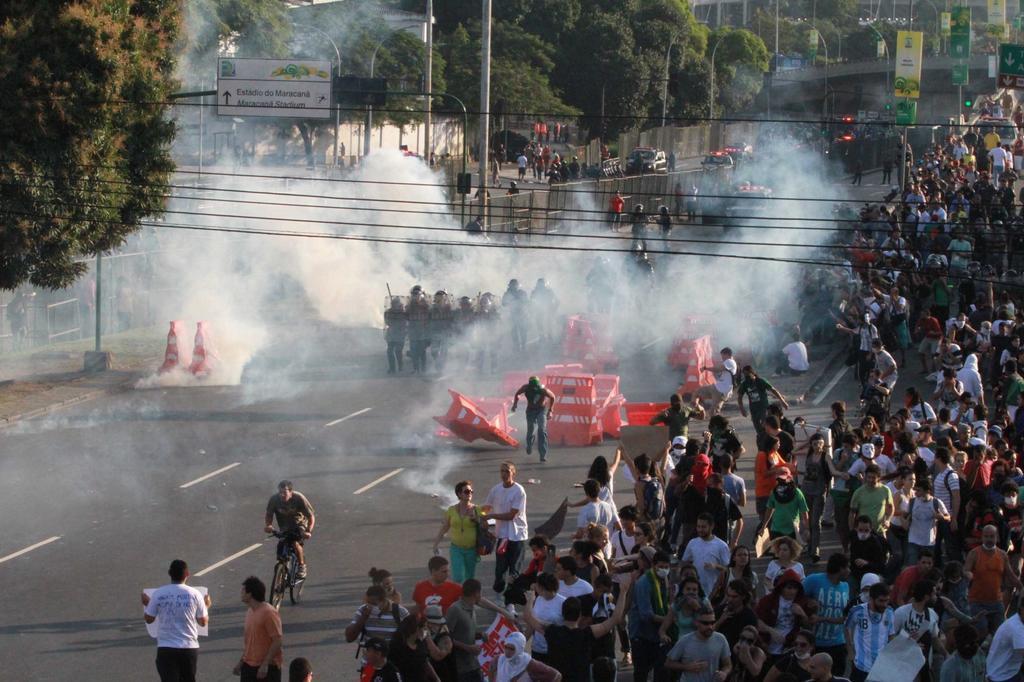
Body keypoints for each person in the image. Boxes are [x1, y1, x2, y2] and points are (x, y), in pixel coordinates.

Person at [521, 578, 633, 682]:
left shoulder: (552, 632)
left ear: (563, 614)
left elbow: (529, 617)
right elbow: (615, 619)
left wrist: (531, 599)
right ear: (579, 615)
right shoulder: (587, 634)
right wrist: (623, 592)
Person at [141, 559, 211, 682]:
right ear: (187, 574)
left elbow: (149, 619)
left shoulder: (159, 594)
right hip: (189, 648)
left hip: (166, 648)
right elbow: (203, 622)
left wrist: (148, 604)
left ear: (169, 573)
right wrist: (206, 606)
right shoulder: (195, 594)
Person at [964, 524, 1023, 638]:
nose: (989, 539)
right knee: (981, 630)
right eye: (986, 536)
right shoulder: (974, 553)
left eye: (992, 536)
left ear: (997, 537)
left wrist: (1021, 587)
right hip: (977, 601)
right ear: (982, 537)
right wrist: (968, 574)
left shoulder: (1002, 555)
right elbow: (965, 570)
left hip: (996, 602)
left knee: (1001, 633)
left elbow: (1010, 575)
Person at [482, 462, 529, 594]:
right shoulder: (496, 489)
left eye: (507, 471)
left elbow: (511, 515)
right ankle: (498, 598)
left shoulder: (519, 491)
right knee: (500, 569)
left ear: (513, 473)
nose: (504, 474)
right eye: (502, 471)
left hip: (517, 536)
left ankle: (511, 601)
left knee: (514, 571)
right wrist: (477, 513)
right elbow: (486, 507)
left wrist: (490, 516)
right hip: (502, 536)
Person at [628, 548, 672, 682]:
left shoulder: (663, 580)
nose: (664, 570)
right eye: (661, 567)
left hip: (655, 635)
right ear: (653, 565)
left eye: (666, 567)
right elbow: (646, 615)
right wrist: (668, 620)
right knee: (641, 673)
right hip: (641, 635)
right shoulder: (644, 583)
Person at [803, 555, 851, 675]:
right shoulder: (814, 580)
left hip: (838, 642)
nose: (849, 571)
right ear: (840, 569)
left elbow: (844, 617)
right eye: (847, 567)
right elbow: (797, 596)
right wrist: (808, 602)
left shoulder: (846, 586)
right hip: (816, 643)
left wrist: (821, 618)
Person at [663, 605, 732, 682]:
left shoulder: (720, 639)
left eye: (712, 623)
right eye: (705, 623)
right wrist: (686, 667)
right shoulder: (685, 641)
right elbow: (668, 663)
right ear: (696, 622)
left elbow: (728, 665)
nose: (710, 627)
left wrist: (724, 673)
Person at [844, 582, 895, 682]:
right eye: (881, 601)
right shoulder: (857, 611)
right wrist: (850, 650)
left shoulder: (889, 612)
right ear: (871, 599)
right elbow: (846, 628)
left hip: (881, 667)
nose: (884, 605)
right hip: (861, 665)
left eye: (887, 601)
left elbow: (891, 636)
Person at [235, 577, 283, 682]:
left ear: (250, 594)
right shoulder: (250, 612)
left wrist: (265, 664)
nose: (241, 592)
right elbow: (251, 642)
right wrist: (241, 662)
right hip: (249, 666)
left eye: (243, 590)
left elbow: (277, 641)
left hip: (266, 669)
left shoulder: (269, 613)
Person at [264, 480, 315, 579]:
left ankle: (301, 566)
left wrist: (308, 531)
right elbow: (269, 514)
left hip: (300, 524)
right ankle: (281, 568)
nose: (282, 495)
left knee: (295, 543)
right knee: (280, 547)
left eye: (284, 492)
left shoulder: (299, 498)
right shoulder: (274, 499)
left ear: (291, 492)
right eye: (280, 492)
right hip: (284, 526)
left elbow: (311, 516)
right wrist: (268, 525)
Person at [892, 580, 942, 680]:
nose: (936, 597)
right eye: (934, 594)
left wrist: (946, 654)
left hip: (924, 665)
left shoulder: (932, 615)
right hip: (902, 665)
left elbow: (935, 638)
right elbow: (889, 636)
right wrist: (909, 644)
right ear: (926, 597)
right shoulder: (900, 613)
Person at [433, 480, 480, 583]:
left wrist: (477, 520)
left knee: (469, 578)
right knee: (458, 577)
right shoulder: (451, 510)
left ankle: (467, 597)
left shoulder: (477, 509)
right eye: (467, 492)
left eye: (471, 491)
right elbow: (445, 527)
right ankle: (458, 596)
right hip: (456, 549)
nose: (470, 494)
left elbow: (485, 526)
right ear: (459, 494)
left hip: (472, 549)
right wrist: (436, 544)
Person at [682, 513, 732, 598]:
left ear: (711, 526)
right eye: (698, 526)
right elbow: (685, 563)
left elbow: (728, 570)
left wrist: (715, 566)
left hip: (713, 592)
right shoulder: (692, 543)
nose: (700, 530)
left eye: (703, 527)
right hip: (694, 592)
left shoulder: (721, 545)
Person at [446, 579, 484, 682]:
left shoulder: (471, 608)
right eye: (481, 592)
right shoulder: (455, 609)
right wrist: (468, 648)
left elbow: (462, 632)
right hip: (460, 669)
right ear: (476, 593)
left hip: (474, 664)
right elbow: (445, 637)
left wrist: (479, 635)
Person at [346, 585, 411, 645]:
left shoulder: (400, 612)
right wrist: (363, 618)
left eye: (374, 604)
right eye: (368, 602)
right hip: (371, 655)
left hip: (393, 655)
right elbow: (349, 638)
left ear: (384, 600)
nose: (370, 606)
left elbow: (412, 636)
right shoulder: (363, 610)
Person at [487, 631, 561, 682]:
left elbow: (556, 676)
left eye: (512, 649)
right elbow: (490, 674)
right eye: (506, 647)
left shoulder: (529, 664)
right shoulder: (498, 660)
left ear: (519, 648)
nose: (507, 651)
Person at [512, 377, 556, 462]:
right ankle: (529, 444)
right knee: (530, 430)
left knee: (541, 430)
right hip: (530, 411)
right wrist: (515, 404)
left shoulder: (543, 390)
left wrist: (550, 411)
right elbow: (517, 394)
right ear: (529, 385)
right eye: (532, 387)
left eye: (536, 387)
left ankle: (543, 454)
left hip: (541, 410)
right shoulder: (525, 388)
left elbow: (553, 397)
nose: (534, 389)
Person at [737, 366, 789, 436]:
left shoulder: (761, 381)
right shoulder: (745, 384)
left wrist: (783, 401)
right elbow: (739, 397)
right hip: (754, 410)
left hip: (764, 408)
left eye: (748, 374)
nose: (746, 377)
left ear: (752, 373)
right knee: (758, 429)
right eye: (745, 374)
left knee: (766, 425)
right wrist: (742, 409)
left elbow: (773, 390)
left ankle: (772, 440)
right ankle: (763, 441)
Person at [390, 615, 442, 682]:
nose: (426, 631)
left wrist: (436, 678)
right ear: (417, 629)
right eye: (424, 627)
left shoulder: (421, 642)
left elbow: (424, 661)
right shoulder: (397, 646)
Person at [986, 599, 1024, 682]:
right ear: (1021, 608)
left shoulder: (1018, 620)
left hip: (1011, 671)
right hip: (1001, 677)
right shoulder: (1016, 628)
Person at [699, 348, 739, 417]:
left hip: (721, 389)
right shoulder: (730, 362)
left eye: (722, 355)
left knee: (711, 412)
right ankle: (718, 422)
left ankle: (716, 423)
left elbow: (717, 369)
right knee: (716, 410)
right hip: (723, 389)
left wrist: (706, 368)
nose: (722, 357)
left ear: (726, 354)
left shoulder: (729, 361)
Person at [384, 297, 407, 374]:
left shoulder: (403, 312)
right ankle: (392, 368)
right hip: (391, 335)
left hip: (400, 334)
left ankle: (400, 366)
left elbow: (405, 323)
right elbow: (387, 322)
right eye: (393, 304)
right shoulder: (388, 312)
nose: (394, 305)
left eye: (396, 304)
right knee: (390, 351)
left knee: (398, 351)